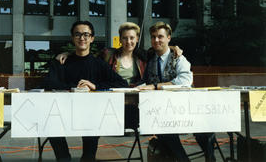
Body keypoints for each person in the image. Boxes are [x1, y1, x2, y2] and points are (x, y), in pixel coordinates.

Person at [42, 20, 128, 162]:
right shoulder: (61, 61)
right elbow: (47, 82)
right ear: (72, 38)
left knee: (89, 154)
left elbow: (122, 83)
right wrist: (74, 88)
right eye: (78, 34)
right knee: (50, 125)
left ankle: (88, 157)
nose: (82, 38)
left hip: (90, 115)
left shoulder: (98, 63)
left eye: (86, 35)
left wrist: (95, 86)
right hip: (63, 112)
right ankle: (64, 158)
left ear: (92, 38)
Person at [138, 21, 216, 162]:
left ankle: (211, 159)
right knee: (164, 131)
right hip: (164, 112)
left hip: (187, 107)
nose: (156, 40)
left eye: (160, 36)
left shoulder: (178, 57)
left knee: (204, 130)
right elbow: (145, 81)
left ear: (169, 38)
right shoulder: (150, 59)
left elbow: (185, 80)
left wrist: (157, 86)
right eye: (153, 37)